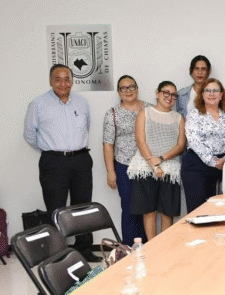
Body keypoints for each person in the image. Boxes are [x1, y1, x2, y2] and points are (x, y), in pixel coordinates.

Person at [24, 64, 99, 261]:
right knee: (55, 209)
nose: (63, 83)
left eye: (67, 79)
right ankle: (57, 253)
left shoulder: (82, 103)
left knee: (83, 208)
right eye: (58, 79)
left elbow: (86, 128)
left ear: (72, 81)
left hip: (81, 159)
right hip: (54, 162)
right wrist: (51, 151)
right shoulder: (38, 104)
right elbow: (30, 135)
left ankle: (84, 249)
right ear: (51, 81)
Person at [129, 81, 185, 240]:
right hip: (145, 166)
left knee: (168, 211)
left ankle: (164, 247)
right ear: (157, 93)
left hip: (170, 168)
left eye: (173, 95)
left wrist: (161, 159)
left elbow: (180, 145)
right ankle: (152, 248)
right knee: (149, 210)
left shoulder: (179, 118)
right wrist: (152, 163)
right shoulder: (145, 113)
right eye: (166, 93)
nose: (170, 97)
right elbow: (141, 141)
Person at [102, 75, 149, 246]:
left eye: (131, 87)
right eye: (124, 88)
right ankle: (129, 247)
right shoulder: (112, 114)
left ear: (137, 88)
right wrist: (110, 171)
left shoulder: (149, 108)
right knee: (129, 208)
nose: (128, 91)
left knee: (147, 208)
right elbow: (108, 144)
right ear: (118, 92)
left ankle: (147, 246)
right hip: (124, 166)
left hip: (147, 167)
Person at [181, 78, 225, 213]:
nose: (212, 94)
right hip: (196, 166)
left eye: (215, 90)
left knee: (218, 211)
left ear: (221, 94)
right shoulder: (194, 114)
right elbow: (194, 140)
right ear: (202, 94)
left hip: (222, 165)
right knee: (198, 213)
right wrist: (213, 161)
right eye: (208, 90)